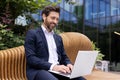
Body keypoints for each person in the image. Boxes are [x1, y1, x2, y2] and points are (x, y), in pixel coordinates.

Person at [24, 5, 86, 80]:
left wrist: (69, 64)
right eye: (53, 18)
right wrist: (53, 66)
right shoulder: (33, 34)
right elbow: (31, 58)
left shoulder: (58, 38)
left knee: (81, 79)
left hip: (58, 71)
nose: (55, 22)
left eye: (57, 19)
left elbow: (64, 56)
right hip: (40, 70)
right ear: (44, 16)